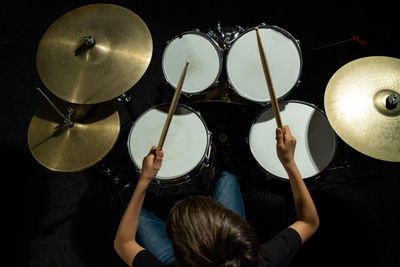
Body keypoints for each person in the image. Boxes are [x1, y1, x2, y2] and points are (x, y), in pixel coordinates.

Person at [114, 125, 320, 267]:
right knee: (228, 179)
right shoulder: (260, 260)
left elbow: (123, 242)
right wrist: (289, 163)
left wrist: (144, 179)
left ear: (181, 253)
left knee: (137, 216)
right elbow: (309, 221)